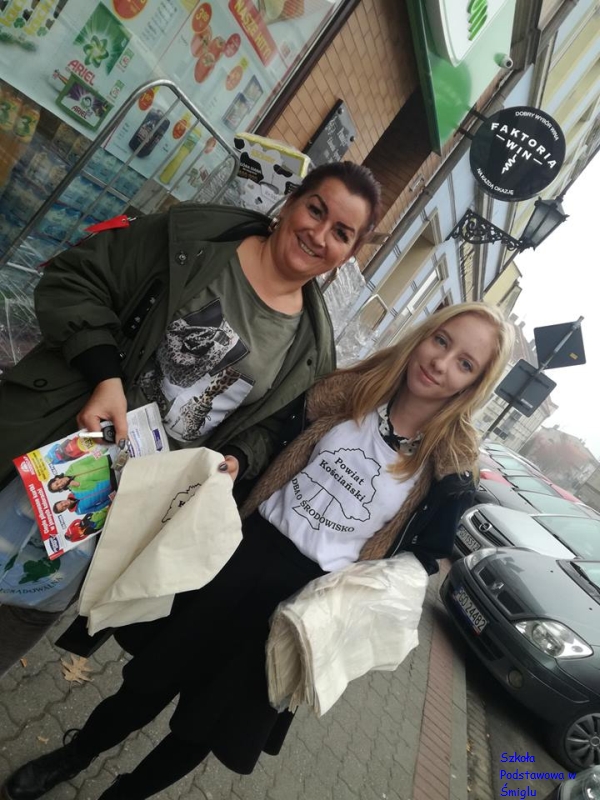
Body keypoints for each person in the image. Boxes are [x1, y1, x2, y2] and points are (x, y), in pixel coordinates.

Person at [1, 302, 514, 800]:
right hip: (241, 554)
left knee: (203, 725)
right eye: (441, 341)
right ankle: (74, 756)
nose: (441, 363)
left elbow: (421, 560)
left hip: (299, 603)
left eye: (464, 363)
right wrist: (236, 465)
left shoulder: (446, 473)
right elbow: (270, 439)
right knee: (149, 682)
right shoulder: (345, 394)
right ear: (423, 336)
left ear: (473, 385)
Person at [0, 161, 382, 677]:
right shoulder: (194, 241)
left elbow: (269, 428)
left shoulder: (310, 348)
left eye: (341, 233)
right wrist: (103, 375)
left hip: (126, 506)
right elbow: (77, 279)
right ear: (291, 203)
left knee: (24, 610)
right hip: (64, 444)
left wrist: (238, 458)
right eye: (316, 210)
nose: (319, 234)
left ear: (349, 253)